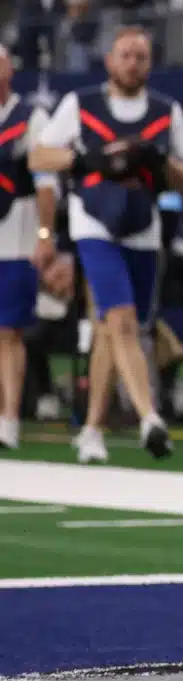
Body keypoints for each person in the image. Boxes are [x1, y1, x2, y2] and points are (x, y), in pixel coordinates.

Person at [31, 26, 183, 463]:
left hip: (142, 224)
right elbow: (39, 156)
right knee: (119, 319)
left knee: (117, 328)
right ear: (110, 60)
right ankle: (149, 418)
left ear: (150, 62)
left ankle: (91, 428)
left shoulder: (165, 110)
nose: (133, 63)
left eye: (141, 56)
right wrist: (87, 160)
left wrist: (156, 158)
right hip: (94, 221)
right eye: (125, 55)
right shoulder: (81, 104)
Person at [0, 52, 47, 451]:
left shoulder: (30, 118)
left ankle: (9, 417)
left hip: (15, 238)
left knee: (9, 332)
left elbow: (47, 183)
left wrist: (45, 235)